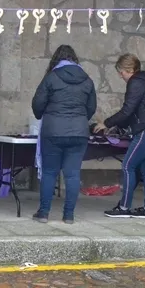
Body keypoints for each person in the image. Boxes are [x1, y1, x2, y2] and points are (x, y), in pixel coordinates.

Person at [95, 53, 145, 220]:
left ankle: (124, 207)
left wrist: (106, 123)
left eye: (121, 72)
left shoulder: (135, 83)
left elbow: (127, 110)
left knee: (128, 166)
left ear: (129, 70)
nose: (121, 76)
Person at [30, 45, 97, 224]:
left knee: (50, 172)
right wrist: (79, 120)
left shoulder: (51, 77)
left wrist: (43, 116)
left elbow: (37, 104)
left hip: (53, 131)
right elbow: (91, 108)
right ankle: (68, 215)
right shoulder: (87, 80)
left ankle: (44, 213)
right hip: (79, 132)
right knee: (73, 174)